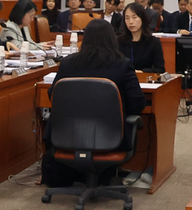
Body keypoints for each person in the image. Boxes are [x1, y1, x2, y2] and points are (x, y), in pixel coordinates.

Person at [41, 19, 146, 188]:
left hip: (69, 134)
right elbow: (137, 105)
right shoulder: (122, 64)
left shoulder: (68, 63)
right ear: (113, 39)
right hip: (109, 138)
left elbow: (53, 94)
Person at [113, 3, 165, 73]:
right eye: (127, 18)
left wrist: (142, 72)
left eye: (134, 17)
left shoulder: (154, 42)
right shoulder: (118, 41)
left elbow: (160, 69)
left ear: (142, 19)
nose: (130, 22)